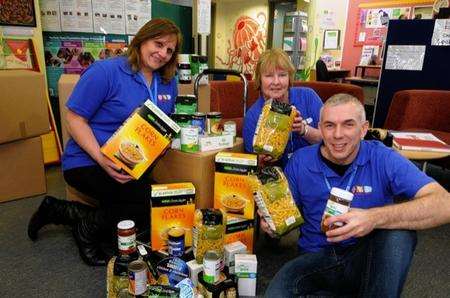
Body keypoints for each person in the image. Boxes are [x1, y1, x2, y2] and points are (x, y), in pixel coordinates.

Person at [27, 18, 182, 266]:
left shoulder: (168, 82)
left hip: (133, 165)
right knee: (143, 203)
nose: (162, 53)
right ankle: (84, 227)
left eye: (169, 50)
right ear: (142, 39)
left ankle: (57, 209)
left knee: (154, 206)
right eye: (159, 43)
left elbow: (162, 123)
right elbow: (74, 119)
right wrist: (101, 157)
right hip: (87, 162)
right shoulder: (106, 72)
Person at [264, 94, 450, 297]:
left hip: (367, 256)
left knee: (399, 234)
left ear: (363, 129)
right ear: (320, 128)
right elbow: (284, 219)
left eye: (348, 125)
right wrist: (273, 226)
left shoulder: (383, 158)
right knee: (276, 292)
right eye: (329, 125)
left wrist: (373, 218)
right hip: (316, 259)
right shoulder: (301, 161)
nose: (337, 134)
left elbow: (444, 203)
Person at [243, 48, 322, 168]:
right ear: (260, 79)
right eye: (269, 76)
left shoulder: (308, 97)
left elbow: (331, 139)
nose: (276, 82)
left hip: (315, 172)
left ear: (289, 77)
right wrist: (264, 158)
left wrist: (303, 130)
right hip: (279, 179)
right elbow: (253, 166)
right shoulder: (253, 116)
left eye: (282, 75)